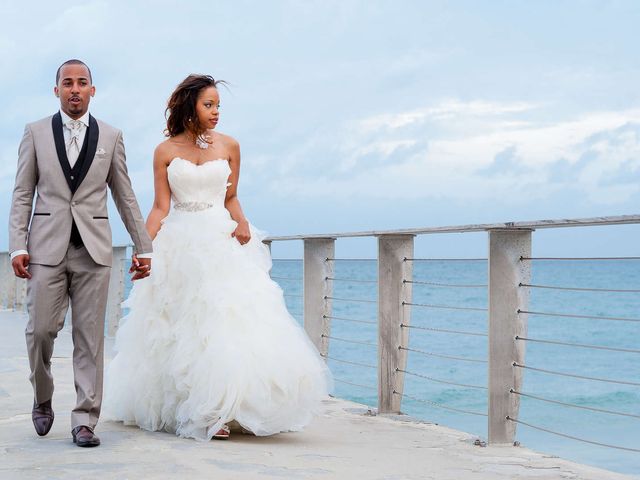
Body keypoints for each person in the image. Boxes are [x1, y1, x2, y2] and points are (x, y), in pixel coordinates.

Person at [104, 74, 332, 441]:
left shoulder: (230, 146)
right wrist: (143, 248)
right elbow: (161, 207)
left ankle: (230, 407)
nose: (216, 112)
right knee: (184, 329)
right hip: (179, 243)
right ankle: (204, 411)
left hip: (220, 239)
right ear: (189, 106)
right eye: (208, 105)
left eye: (218, 106)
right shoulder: (165, 151)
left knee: (226, 323)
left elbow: (231, 198)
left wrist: (241, 221)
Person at [8, 59, 153, 448]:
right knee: (39, 331)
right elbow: (23, 192)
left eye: (82, 82)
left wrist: (144, 247)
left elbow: (124, 194)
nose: (75, 88)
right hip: (44, 248)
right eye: (67, 83)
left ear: (92, 90)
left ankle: (84, 419)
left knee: (90, 338)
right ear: (56, 90)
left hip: (94, 251)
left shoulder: (111, 135)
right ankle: (42, 395)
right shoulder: (35, 133)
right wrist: (18, 244)